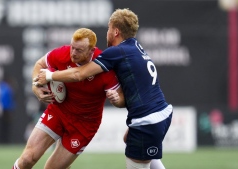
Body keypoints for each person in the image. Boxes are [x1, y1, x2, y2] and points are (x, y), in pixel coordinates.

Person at [34, 8, 173, 169]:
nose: (106, 33)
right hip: (161, 114)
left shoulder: (117, 52)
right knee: (134, 145)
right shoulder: (135, 46)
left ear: (115, 31)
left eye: (108, 29)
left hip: (147, 120)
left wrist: (50, 76)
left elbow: (79, 74)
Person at [12, 28, 125, 169]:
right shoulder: (62, 53)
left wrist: (116, 99)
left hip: (84, 125)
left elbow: (121, 100)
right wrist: (35, 86)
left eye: (79, 50)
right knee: (27, 159)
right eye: (72, 47)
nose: (73, 53)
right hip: (58, 112)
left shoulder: (104, 65)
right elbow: (40, 64)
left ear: (91, 50)